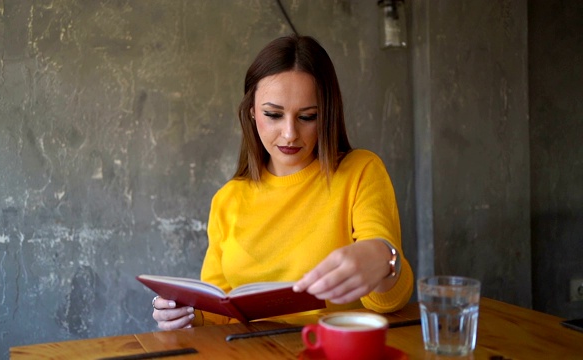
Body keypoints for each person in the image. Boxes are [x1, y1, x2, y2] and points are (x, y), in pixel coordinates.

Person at [152, 34, 413, 330]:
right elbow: (218, 314)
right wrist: (185, 315)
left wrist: (384, 259)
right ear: (252, 112)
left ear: (327, 114)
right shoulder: (228, 199)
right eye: (273, 115)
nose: (289, 134)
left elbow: (392, 300)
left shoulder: (360, 171)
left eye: (308, 116)